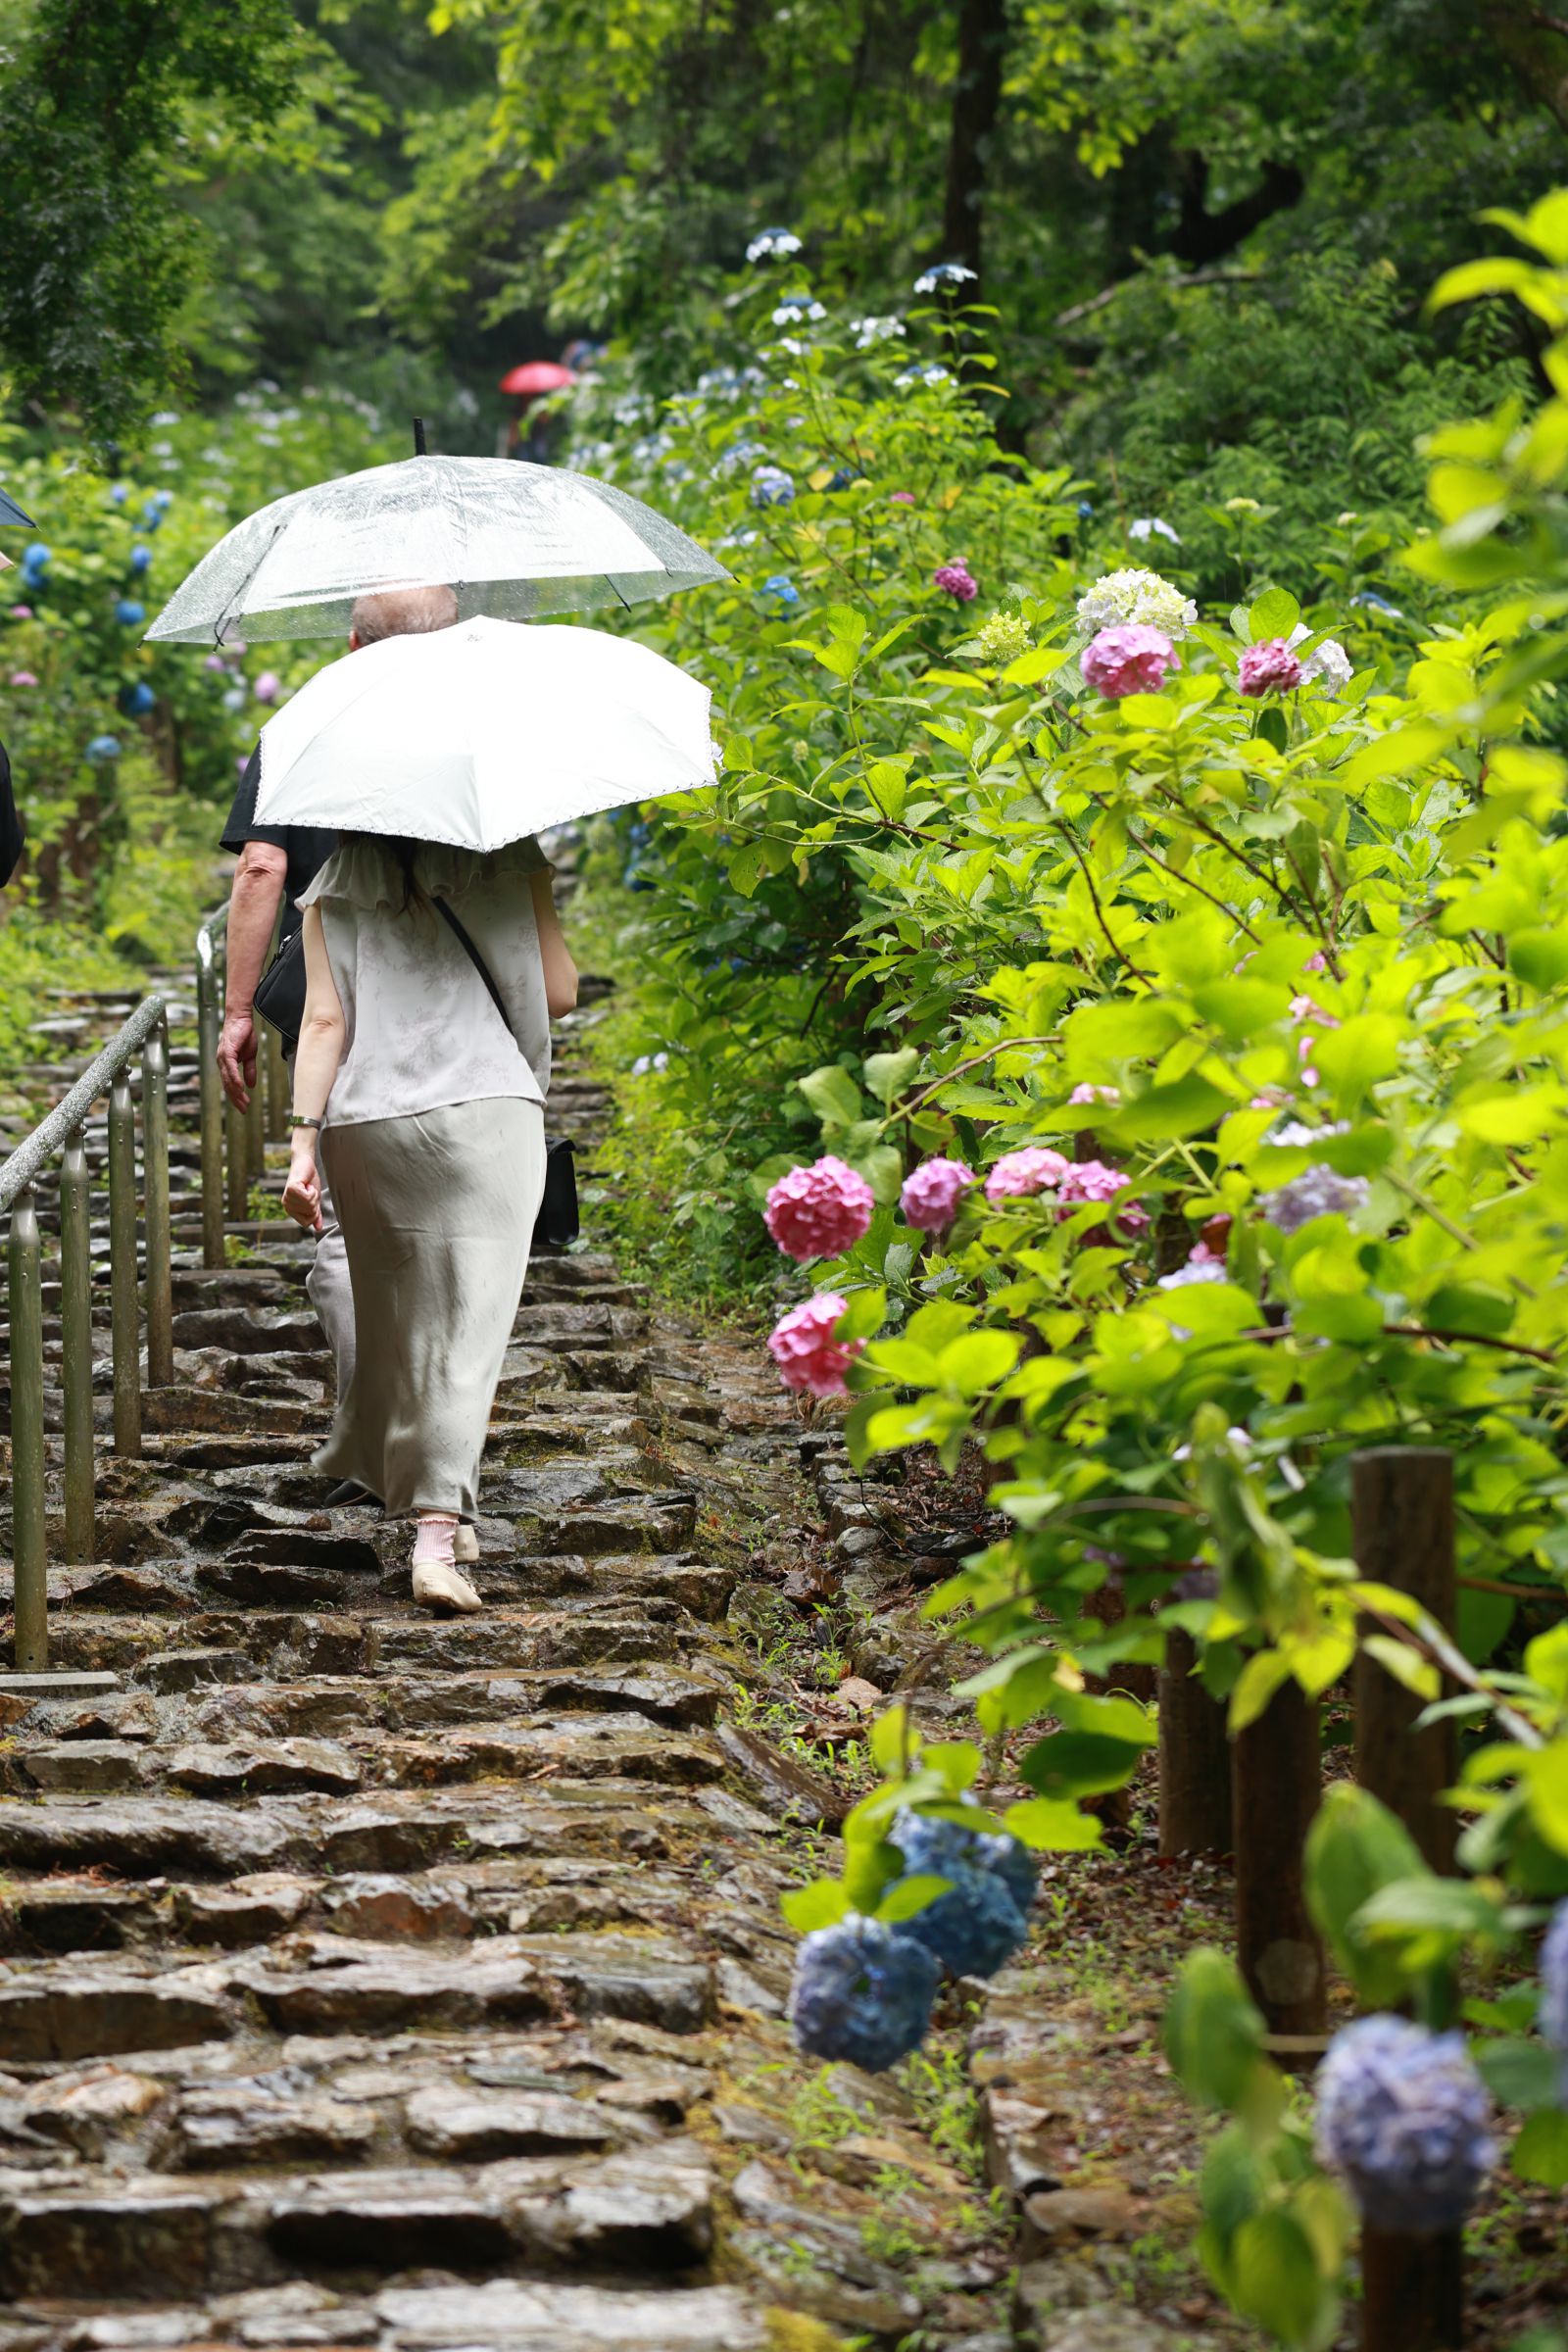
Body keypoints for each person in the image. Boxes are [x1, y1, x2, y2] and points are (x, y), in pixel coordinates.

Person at [279, 821, 577, 1615]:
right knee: (465, 1330)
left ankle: (442, 1493)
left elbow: (321, 1024)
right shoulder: (511, 860)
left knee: (400, 1323)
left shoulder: (334, 885)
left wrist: (301, 1148)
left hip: (366, 1123)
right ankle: (437, 1540)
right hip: (486, 1111)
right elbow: (558, 991)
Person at [216, 585, 462, 1411]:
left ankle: (381, 1417)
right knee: (449, 1217)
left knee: (349, 1228)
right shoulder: (482, 734)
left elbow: (262, 868)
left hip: (341, 1008)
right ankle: (436, 1416)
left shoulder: (302, 732)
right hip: (461, 1011)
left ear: (353, 644)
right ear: (450, 639)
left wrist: (240, 1010)